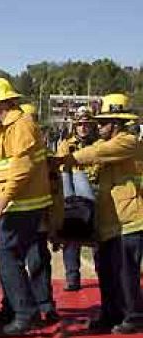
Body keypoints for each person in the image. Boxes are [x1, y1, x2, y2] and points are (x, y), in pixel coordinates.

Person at [0, 78, 54, 337]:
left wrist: (3, 197)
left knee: (6, 255)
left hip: (23, 203)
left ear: (1, 105)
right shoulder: (5, 130)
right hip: (18, 202)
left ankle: (24, 313)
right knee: (12, 256)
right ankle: (10, 308)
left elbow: (23, 166)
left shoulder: (21, 125)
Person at [66, 93, 143, 334]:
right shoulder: (104, 144)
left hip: (130, 219)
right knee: (107, 271)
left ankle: (134, 315)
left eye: (103, 122)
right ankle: (110, 314)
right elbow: (93, 156)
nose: (98, 126)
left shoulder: (128, 142)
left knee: (125, 273)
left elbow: (96, 154)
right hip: (109, 222)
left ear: (117, 123)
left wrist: (66, 158)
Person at [55, 107, 99, 292]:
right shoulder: (66, 144)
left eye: (87, 124)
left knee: (99, 236)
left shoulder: (100, 144)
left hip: (94, 190)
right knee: (71, 232)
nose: (83, 128)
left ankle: (103, 272)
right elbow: (59, 166)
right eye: (80, 124)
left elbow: (99, 168)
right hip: (71, 194)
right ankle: (72, 277)